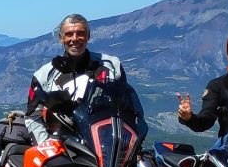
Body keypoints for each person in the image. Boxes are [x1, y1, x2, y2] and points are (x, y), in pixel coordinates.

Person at [25, 13, 145, 145]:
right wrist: (45, 143)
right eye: (69, 34)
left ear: (88, 36)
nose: (75, 39)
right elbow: (32, 116)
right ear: (61, 38)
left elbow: (126, 107)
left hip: (105, 145)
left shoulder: (111, 66)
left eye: (80, 33)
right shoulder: (43, 75)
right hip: (61, 147)